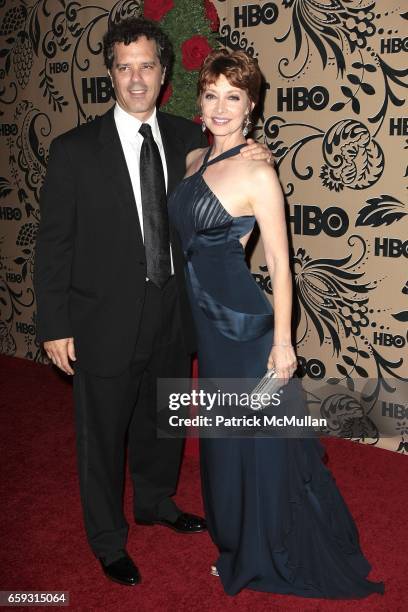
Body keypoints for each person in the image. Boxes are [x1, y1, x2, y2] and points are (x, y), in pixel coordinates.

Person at [34, 18, 271, 587]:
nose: (135, 77)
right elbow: (54, 244)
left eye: (146, 65)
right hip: (101, 317)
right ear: (110, 74)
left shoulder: (190, 141)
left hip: (174, 309)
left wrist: (257, 149)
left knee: (162, 418)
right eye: (123, 66)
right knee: (102, 431)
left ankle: (157, 501)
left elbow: (235, 163)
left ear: (164, 75)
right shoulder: (73, 151)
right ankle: (107, 539)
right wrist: (54, 323)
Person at [168, 48, 385, 598]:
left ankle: (264, 553)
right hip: (210, 331)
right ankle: (237, 542)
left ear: (252, 106)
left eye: (233, 97)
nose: (220, 107)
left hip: (247, 331)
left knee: (258, 446)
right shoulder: (193, 160)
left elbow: (281, 267)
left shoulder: (260, 171)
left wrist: (283, 344)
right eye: (212, 95)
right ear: (201, 101)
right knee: (224, 443)